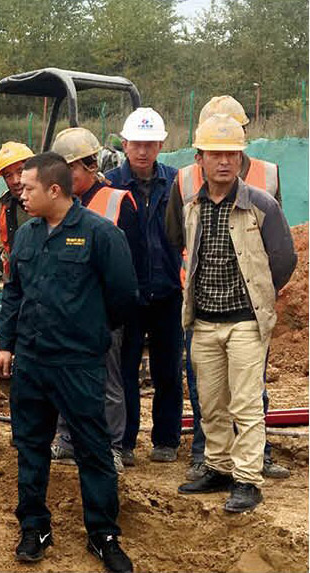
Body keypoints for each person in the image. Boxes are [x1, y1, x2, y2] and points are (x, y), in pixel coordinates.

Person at [0, 152, 137, 572]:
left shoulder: (99, 235)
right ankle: (34, 528)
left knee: (93, 451)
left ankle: (103, 535)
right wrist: (6, 344)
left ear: (55, 190)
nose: (21, 195)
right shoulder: (27, 236)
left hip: (78, 364)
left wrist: (88, 331)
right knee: (31, 447)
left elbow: (124, 297)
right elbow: (13, 293)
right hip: (33, 364)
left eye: (29, 188)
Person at [175, 114, 295, 513]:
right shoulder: (192, 206)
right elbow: (178, 245)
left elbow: (283, 259)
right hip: (205, 322)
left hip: (245, 321)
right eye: (215, 154)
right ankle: (218, 466)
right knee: (210, 404)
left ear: (242, 160)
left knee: (245, 405)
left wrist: (258, 296)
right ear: (200, 159)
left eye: (232, 154)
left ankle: (247, 480)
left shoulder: (260, 205)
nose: (224, 162)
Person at [48, 127, 139, 472]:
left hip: (102, 312)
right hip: (65, 311)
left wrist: (115, 312)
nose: (65, 176)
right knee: (64, 377)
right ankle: (67, 439)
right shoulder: (57, 204)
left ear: (90, 165)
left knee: (108, 382)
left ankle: (112, 446)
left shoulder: (117, 202)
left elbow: (130, 268)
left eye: (71, 168)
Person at [105, 108, 184, 466]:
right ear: (124, 144)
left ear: (161, 145)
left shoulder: (176, 182)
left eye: (150, 144)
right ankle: (125, 441)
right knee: (126, 371)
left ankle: (166, 440)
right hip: (128, 295)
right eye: (137, 144)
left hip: (168, 291)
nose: (142, 151)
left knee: (168, 369)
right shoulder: (109, 186)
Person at [0, 141, 35, 279]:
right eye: (8, 175)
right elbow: (5, 248)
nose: (15, 180)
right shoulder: (3, 205)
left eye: (20, 171)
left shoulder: (49, 202)